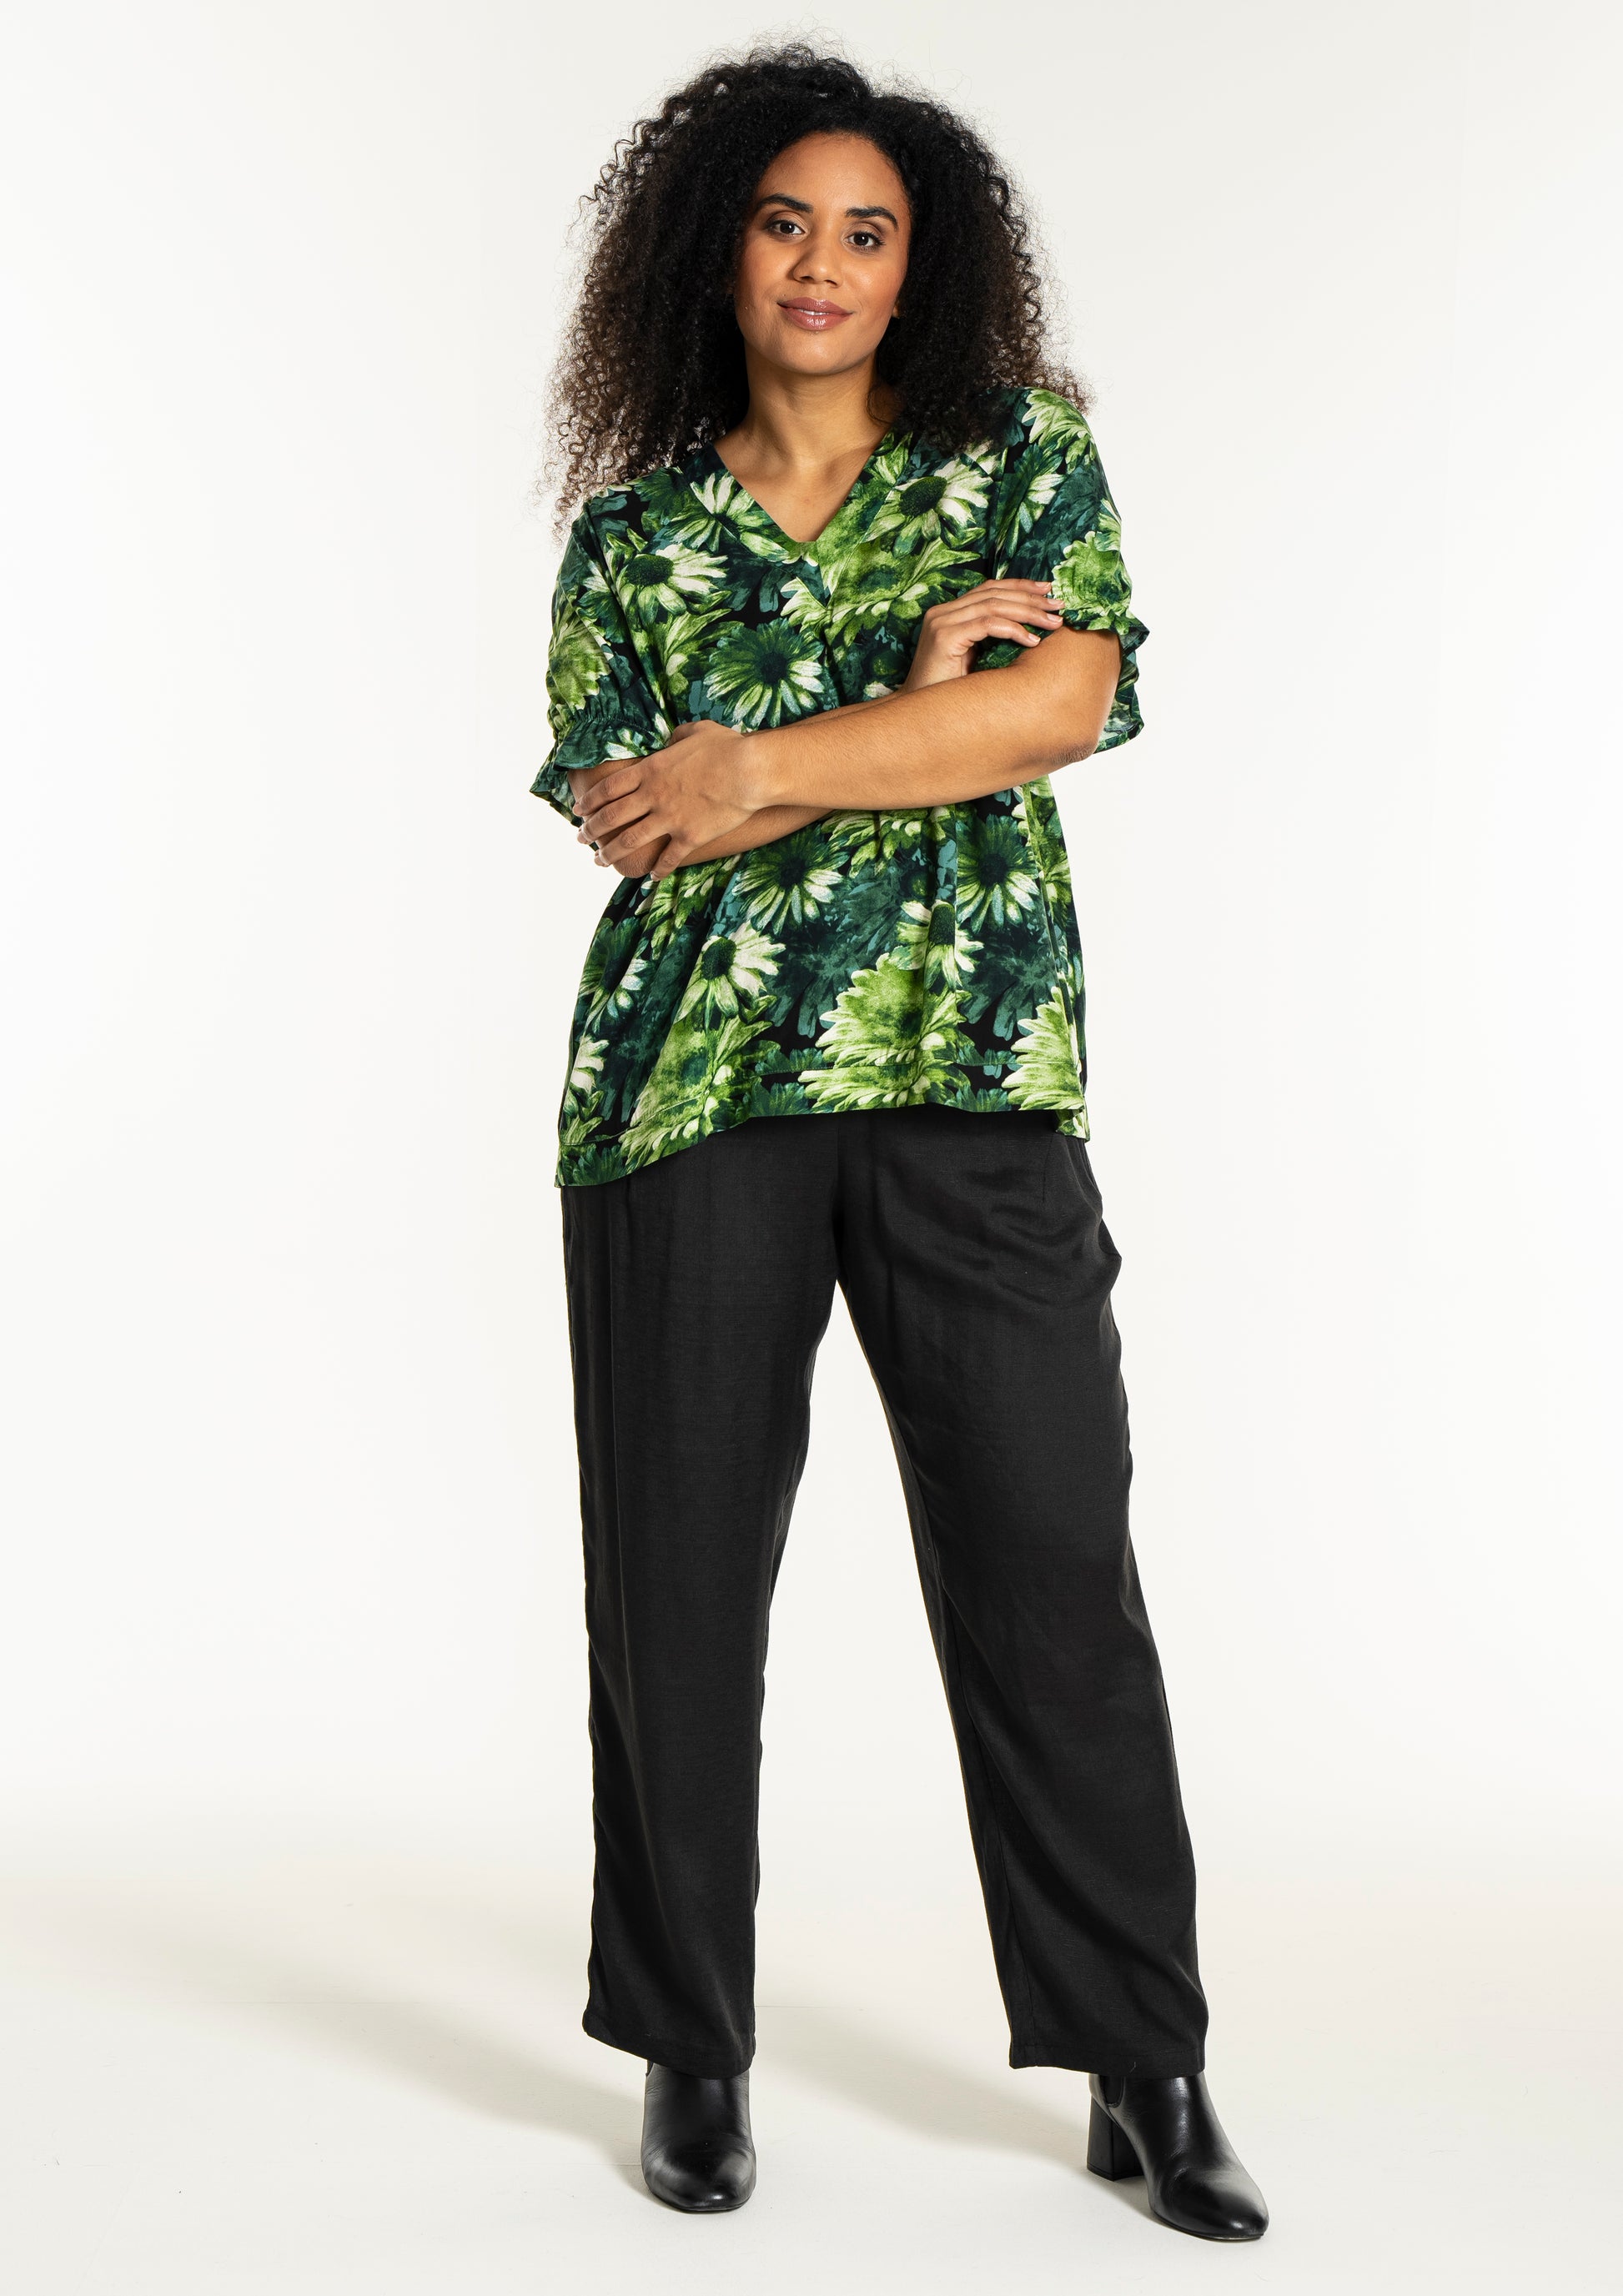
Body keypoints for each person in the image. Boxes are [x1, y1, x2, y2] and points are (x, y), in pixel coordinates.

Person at [533, 45, 1268, 2242]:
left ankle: (1143, 2058)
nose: (823, 264)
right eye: (784, 221)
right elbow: (633, 815)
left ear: (920, 266)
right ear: (715, 251)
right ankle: (690, 2043)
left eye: (867, 231)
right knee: (675, 1587)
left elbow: (1061, 700)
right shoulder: (634, 533)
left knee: (1052, 1570)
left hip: (973, 1087)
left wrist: (769, 757)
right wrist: (908, 714)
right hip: (687, 1097)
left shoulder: (1015, 460)